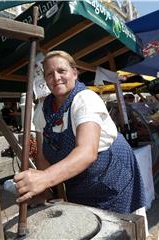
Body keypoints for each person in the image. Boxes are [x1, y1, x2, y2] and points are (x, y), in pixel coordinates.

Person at [14, 51, 146, 217]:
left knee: (119, 226)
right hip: (79, 183)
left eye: (62, 71)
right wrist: (45, 190)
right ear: (45, 80)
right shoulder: (43, 109)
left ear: (74, 73)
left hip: (111, 178)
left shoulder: (85, 100)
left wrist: (44, 179)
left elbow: (86, 152)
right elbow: (42, 156)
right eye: (49, 74)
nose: (56, 77)